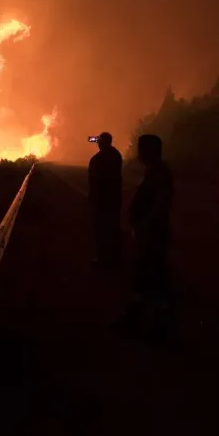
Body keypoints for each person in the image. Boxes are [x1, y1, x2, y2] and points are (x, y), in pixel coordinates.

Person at [116, 133, 174, 341]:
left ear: (150, 151)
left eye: (141, 149)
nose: (139, 154)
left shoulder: (160, 174)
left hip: (151, 234)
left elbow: (161, 203)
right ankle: (138, 319)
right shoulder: (155, 172)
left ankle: (157, 327)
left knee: (151, 277)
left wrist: (145, 227)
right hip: (148, 232)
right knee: (142, 277)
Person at [88, 131, 123, 269]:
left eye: (99, 141)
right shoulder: (116, 155)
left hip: (101, 200)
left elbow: (94, 180)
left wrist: (92, 197)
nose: (97, 143)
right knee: (113, 228)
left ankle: (103, 259)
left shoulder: (98, 159)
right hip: (114, 199)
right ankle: (114, 257)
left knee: (101, 230)